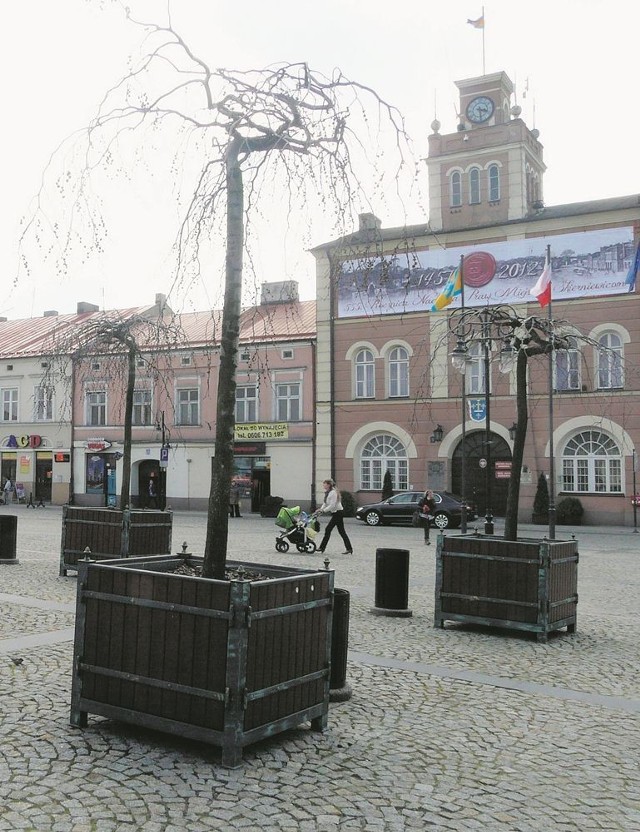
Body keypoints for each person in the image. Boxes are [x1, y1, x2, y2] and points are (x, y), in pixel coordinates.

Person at [315, 478, 353, 554]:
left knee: (328, 529)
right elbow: (325, 503)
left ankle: (322, 548)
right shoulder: (327, 492)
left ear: (329, 485)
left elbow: (332, 505)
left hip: (338, 513)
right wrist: (320, 509)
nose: (323, 485)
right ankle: (349, 549)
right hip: (335, 513)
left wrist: (323, 511)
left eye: (325, 484)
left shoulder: (333, 493)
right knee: (342, 531)